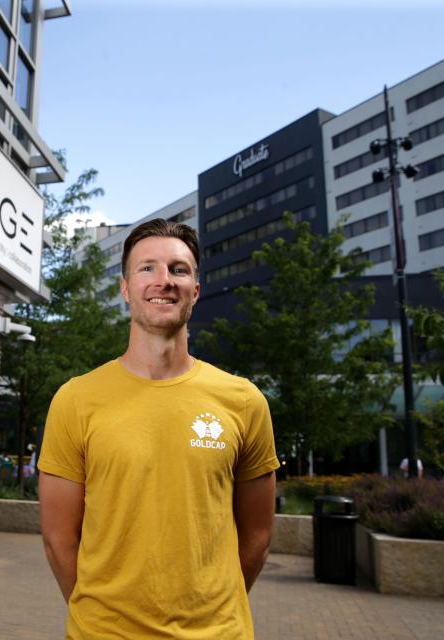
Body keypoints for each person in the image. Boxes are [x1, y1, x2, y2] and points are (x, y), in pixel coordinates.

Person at [38, 219, 280, 639]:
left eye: (178, 269)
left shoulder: (243, 401)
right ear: (125, 288)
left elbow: (257, 533)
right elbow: (59, 539)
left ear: (196, 291)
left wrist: (215, 611)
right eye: (147, 268)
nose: (163, 281)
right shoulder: (76, 400)